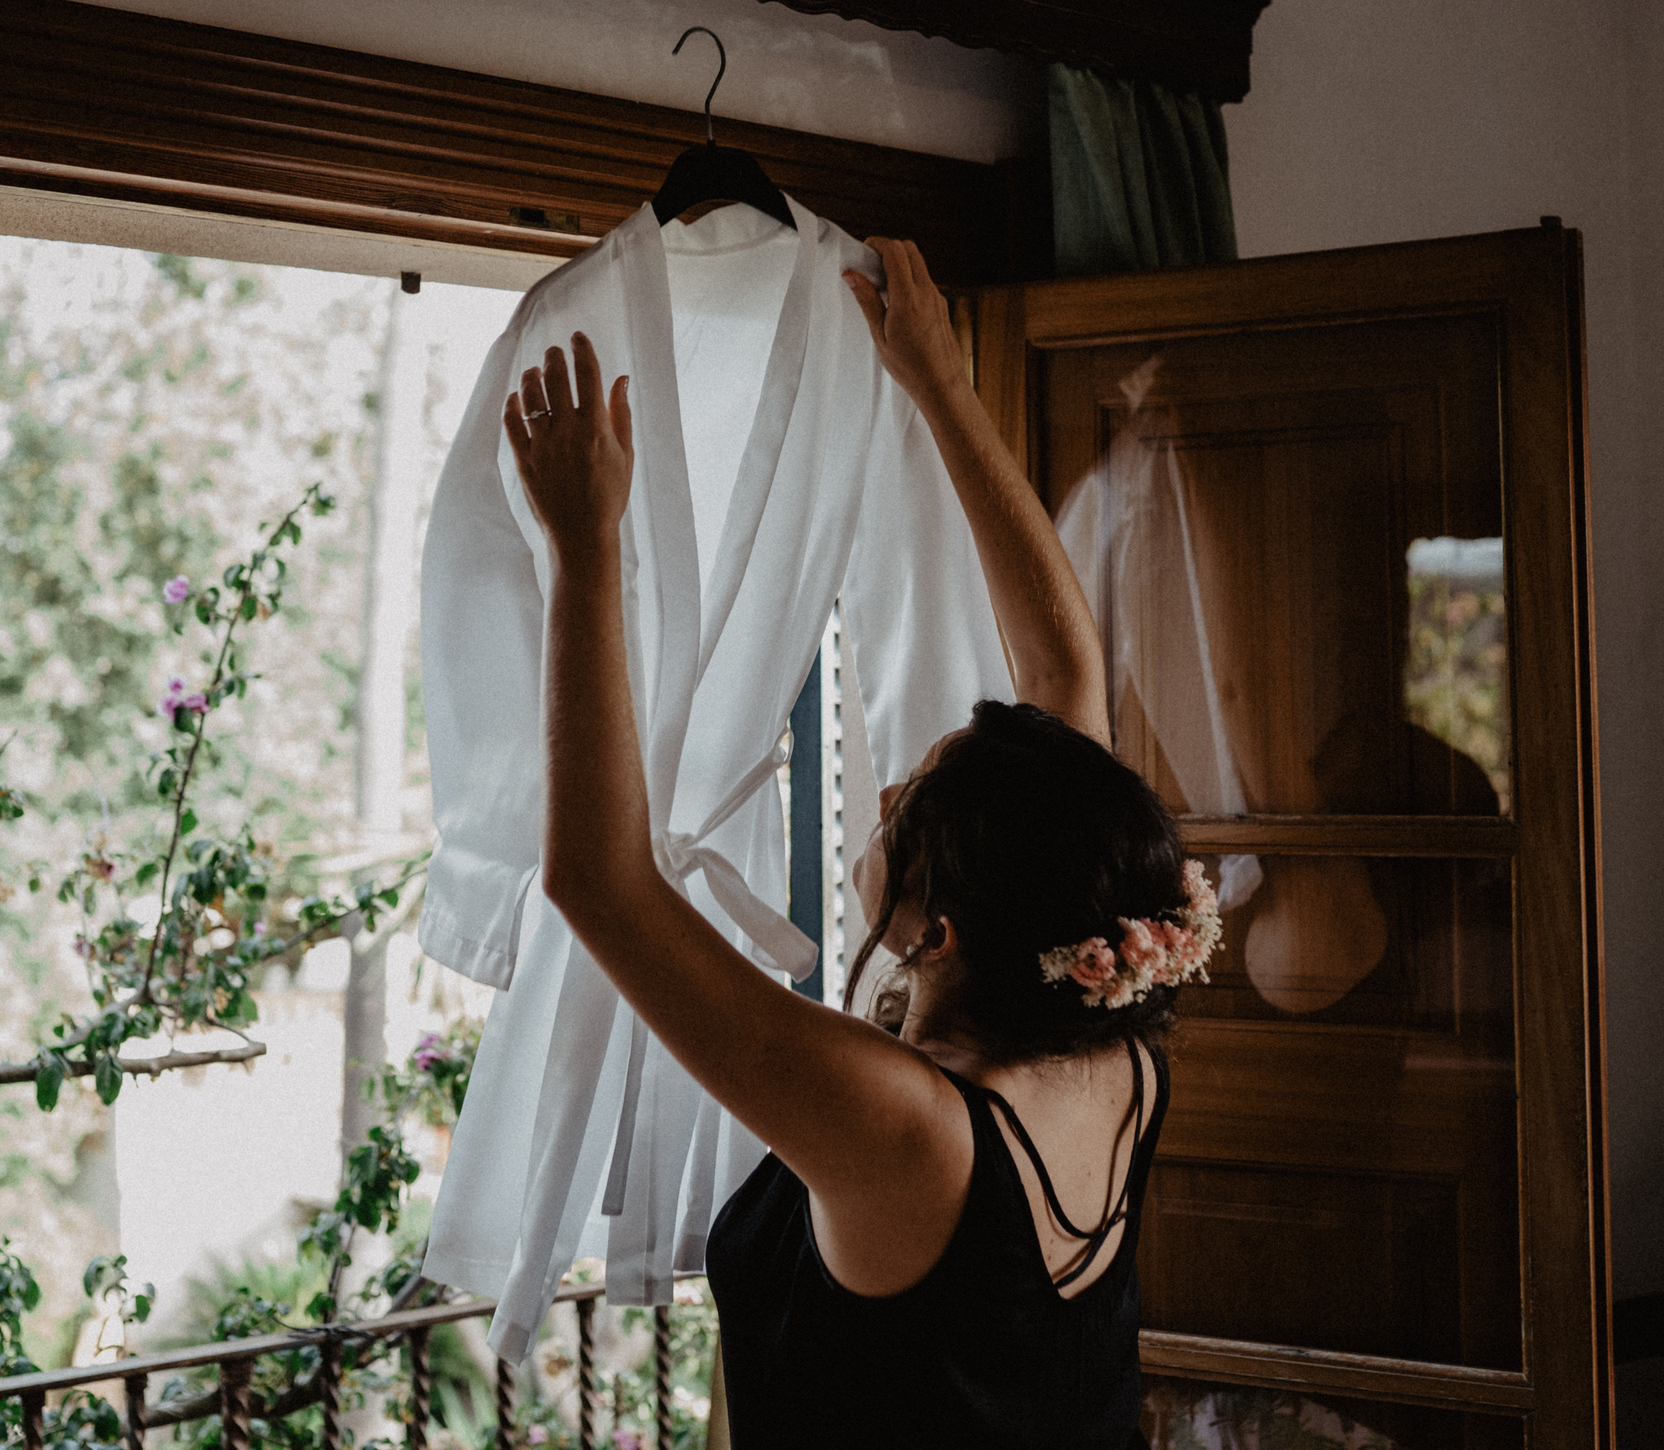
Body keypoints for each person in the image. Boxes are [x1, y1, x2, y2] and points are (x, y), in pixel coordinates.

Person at [500, 236, 1219, 1449]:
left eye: (903, 806)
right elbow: (1064, 671)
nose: (884, 792)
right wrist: (938, 384)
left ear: (936, 932)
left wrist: (588, 552)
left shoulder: (911, 1128)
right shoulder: (1111, 1055)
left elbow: (601, 883)